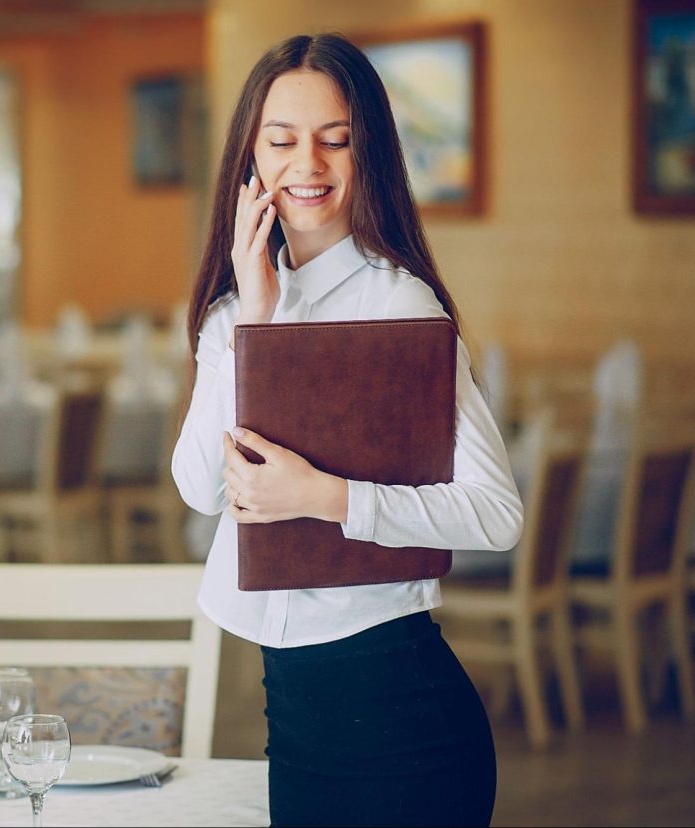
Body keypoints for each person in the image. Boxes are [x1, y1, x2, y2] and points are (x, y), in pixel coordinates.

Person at [171, 32, 523, 828]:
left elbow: (497, 515)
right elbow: (197, 488)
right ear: (250, 157)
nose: (309, 165)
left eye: (337, 140)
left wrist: (325, 496)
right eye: (283, 140)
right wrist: (254, 325)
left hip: (406, 728)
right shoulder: (234, 311)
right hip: (294, 725)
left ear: (371, 155)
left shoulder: (401, 306)